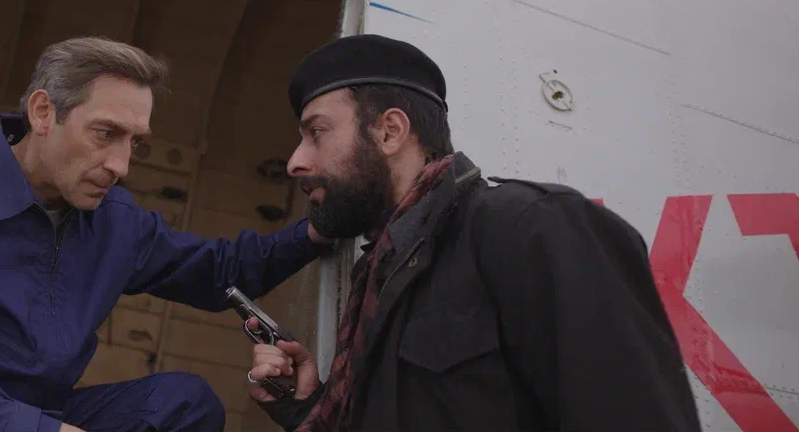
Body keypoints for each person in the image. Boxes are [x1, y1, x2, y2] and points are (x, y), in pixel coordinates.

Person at [0, 36, 331, 432]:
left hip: (34, 415)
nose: (121, 165)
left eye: (135, 142)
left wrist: (320, 229)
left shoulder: (114, 220)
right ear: (42, 112)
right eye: (106, 134)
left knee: (183, 404)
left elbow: (219, 272)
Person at [244, 34, 701, 431]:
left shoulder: (530, 227)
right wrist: (307, 408)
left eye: (317, 132)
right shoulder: (379, 275)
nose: (296, 161)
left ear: (390, 132)